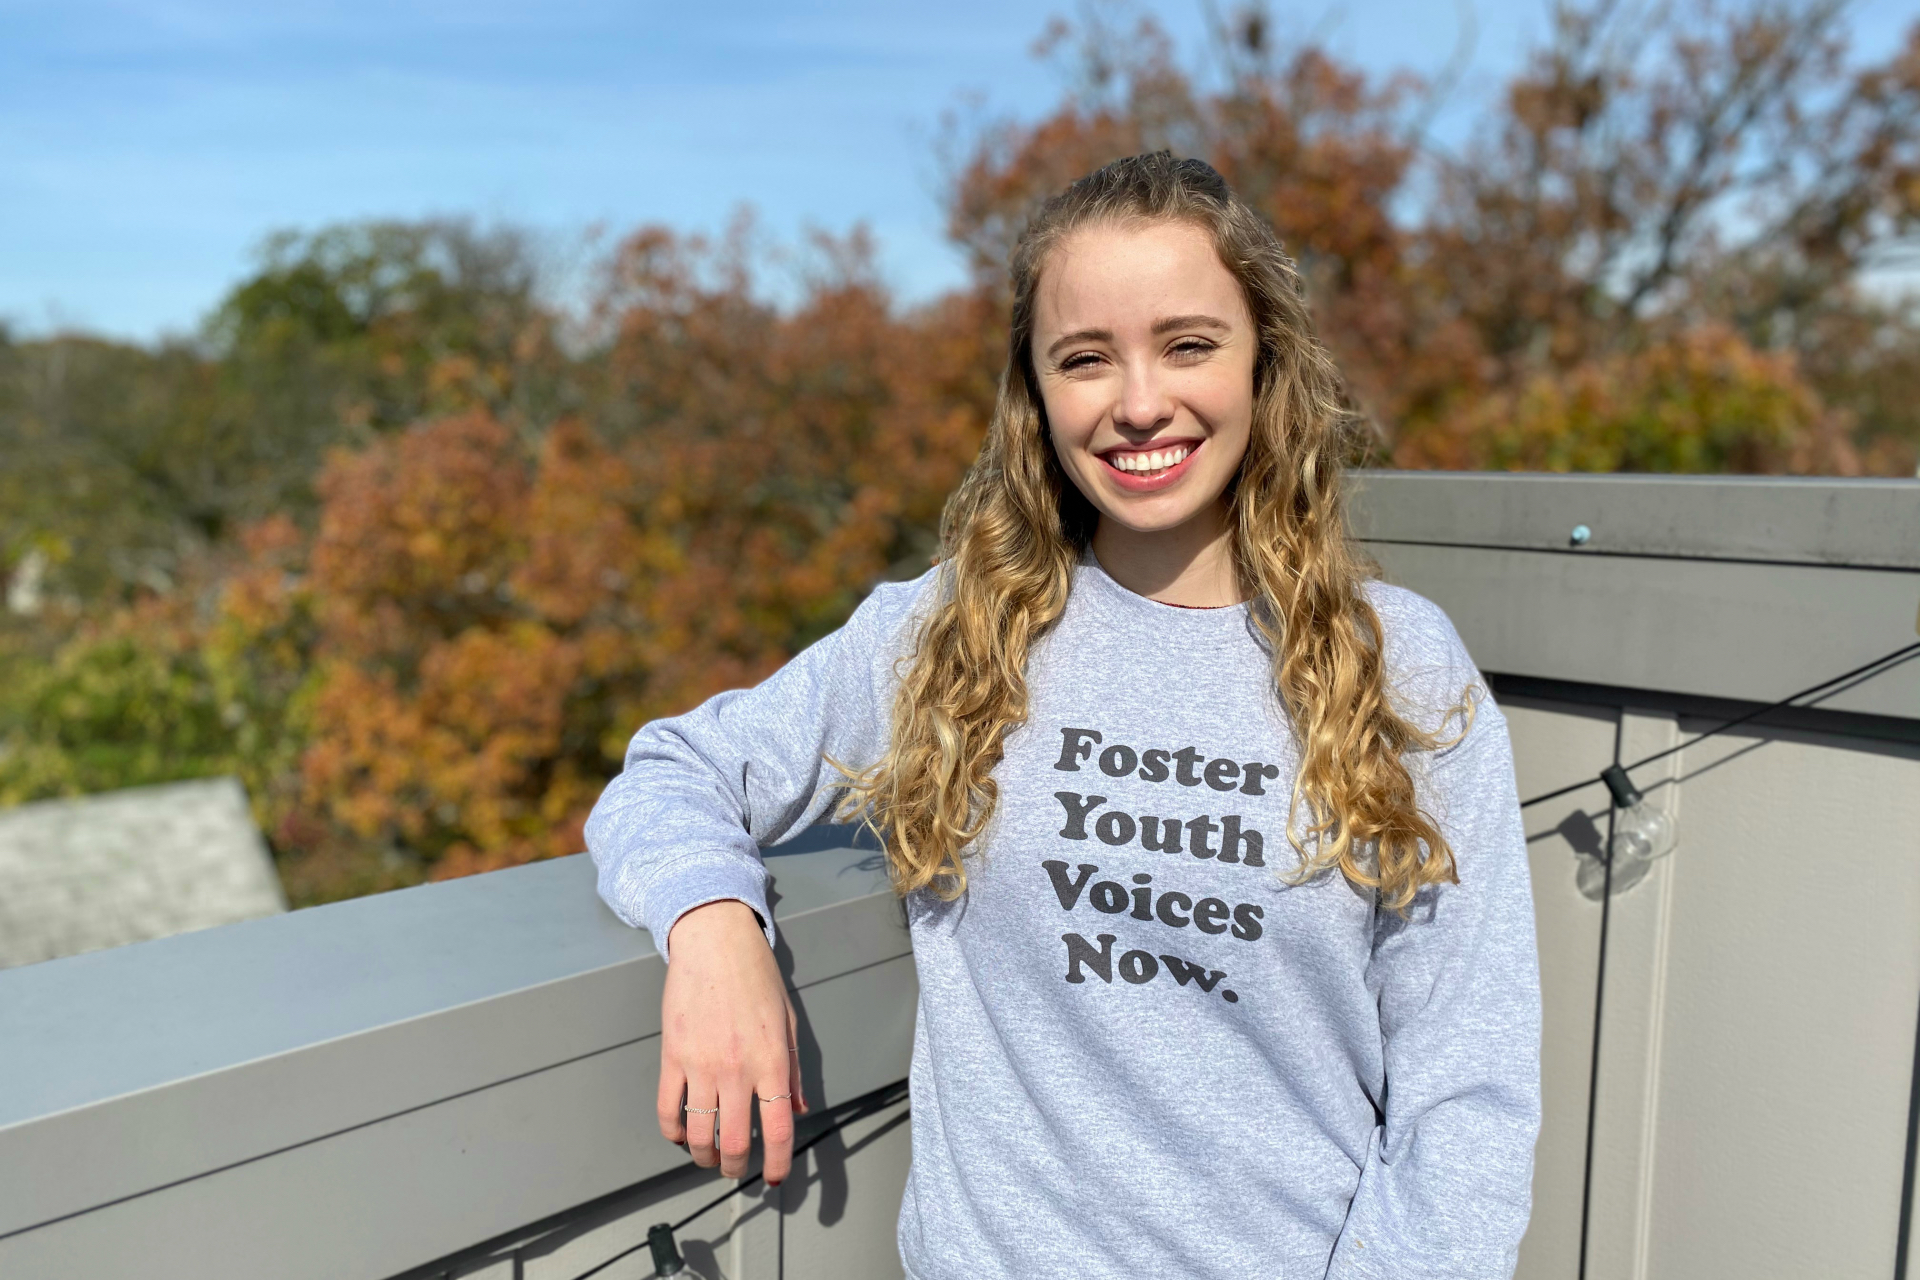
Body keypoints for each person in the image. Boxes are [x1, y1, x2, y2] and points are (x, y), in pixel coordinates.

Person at [586, 152, 1541, 1279]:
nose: (1140, 402)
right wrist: (712, 928)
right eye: (1086, 359)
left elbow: (1467, 1090)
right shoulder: (949, 630)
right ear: (1035, 393)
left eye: (1189, 344)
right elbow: (674, 765)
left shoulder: (1401, 664)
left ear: (1265, 361)